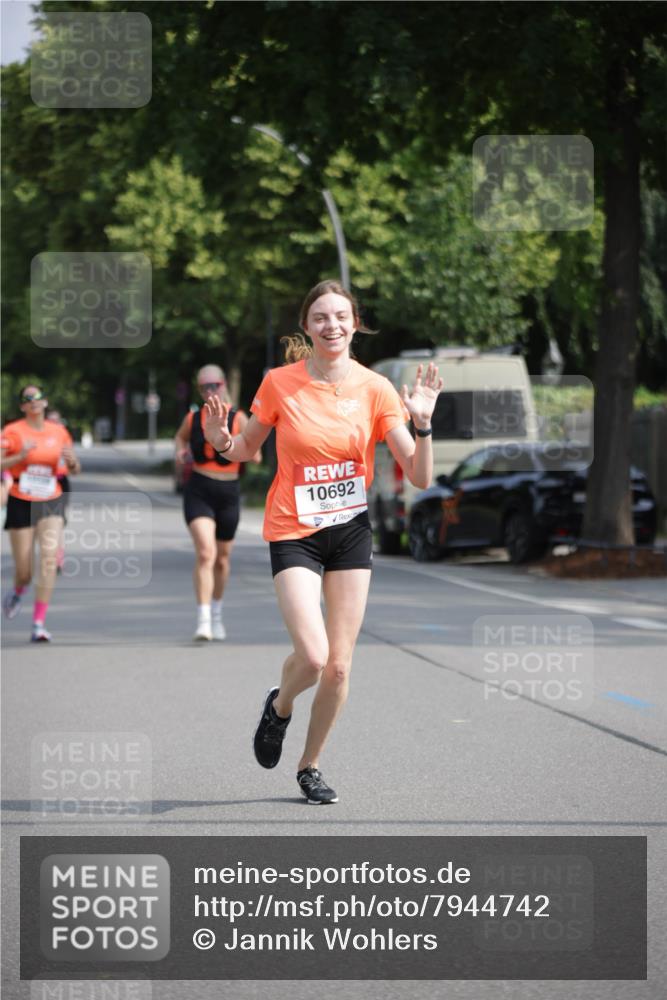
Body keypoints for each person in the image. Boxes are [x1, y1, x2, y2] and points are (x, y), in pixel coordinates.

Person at [203, 279, 443, 804]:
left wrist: (422, 426)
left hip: (350, 532)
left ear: (354, 324)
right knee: (312, 657)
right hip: (294, 530)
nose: (331, 325)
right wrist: (220, 438)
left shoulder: (376, 388)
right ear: (306, 327)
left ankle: (309, 766)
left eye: (340, 316)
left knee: (338, 665)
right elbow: (244, 449)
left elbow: (419, 476)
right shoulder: (279, 383)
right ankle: (279, 707)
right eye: (320, 318)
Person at [174, 365, 261, 642]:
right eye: (205, 387)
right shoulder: (193, 418)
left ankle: (217, 613)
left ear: (224, 385)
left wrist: (248, 451)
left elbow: (254, 452)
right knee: (206, 553)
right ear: (199, 390)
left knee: (222, 560)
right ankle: (202, 620)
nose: (211, 391)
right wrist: (179, 453)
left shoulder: (238, 418)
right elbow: (180, 437)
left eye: (215, 385)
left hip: (228, 492)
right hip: (199, 488)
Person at [1, 385, 81, 642]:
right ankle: (17, 590)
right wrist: (20, 456)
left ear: (45, 402)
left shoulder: (58, 432)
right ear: (22, 406)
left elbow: (74, 469)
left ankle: (38, 623)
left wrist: (72, 462)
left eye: (37, 397)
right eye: (27, 399)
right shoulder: (13, 431)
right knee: (25, 570)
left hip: (50, 499)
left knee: (48, 558)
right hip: (21, 500)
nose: (33, 401)